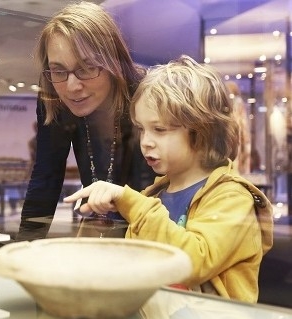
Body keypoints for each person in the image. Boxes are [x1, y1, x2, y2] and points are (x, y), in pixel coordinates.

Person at [64, 55, 273, 303]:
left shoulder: (231, 197)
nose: (146, 141)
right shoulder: (154, 196)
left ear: (202, 130)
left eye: (160, 130)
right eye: (142, 129)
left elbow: (193, 262)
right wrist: (98, 224)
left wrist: (130, 202)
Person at [17, 1, 155, 240]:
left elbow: (160, 187)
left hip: (155, 231)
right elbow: (46, 176)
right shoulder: (53, 96)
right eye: (59, 70)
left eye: (87, 68)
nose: (72, 87)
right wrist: (23, 248)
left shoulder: (145, 93)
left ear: (114, 63)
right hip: (100, 230)